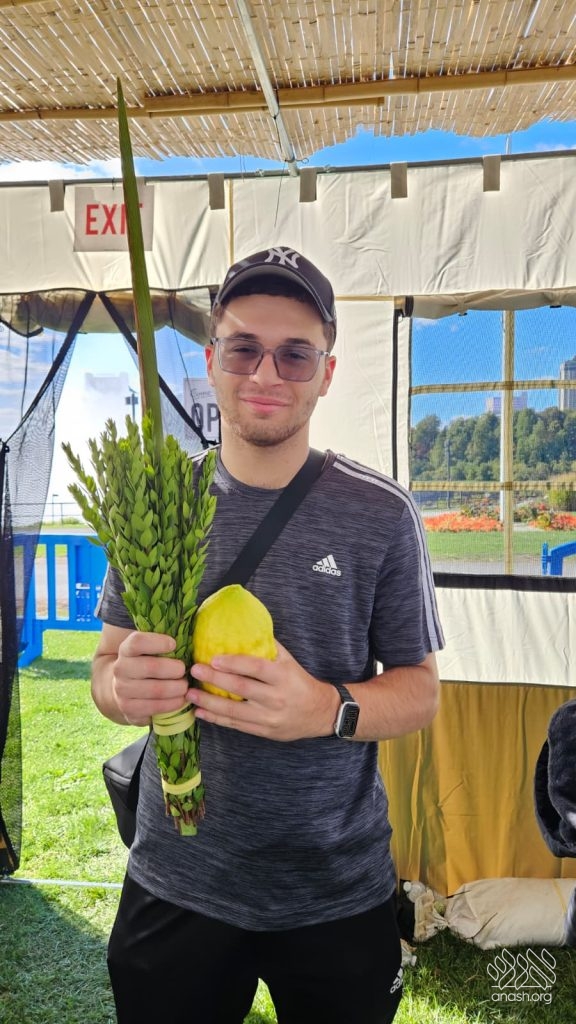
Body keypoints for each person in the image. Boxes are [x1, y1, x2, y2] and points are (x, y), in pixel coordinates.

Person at [93, 245, 444, 1024]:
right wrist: (120, 687)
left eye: (295, 354)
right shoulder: (159, 502)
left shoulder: (381, 515)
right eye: (244, 347)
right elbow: (106, 669)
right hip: (177, 879)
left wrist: (325, 708)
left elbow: (421, 691)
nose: (266, 373)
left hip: (334, 889)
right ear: (212, 360)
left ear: (326, 372)